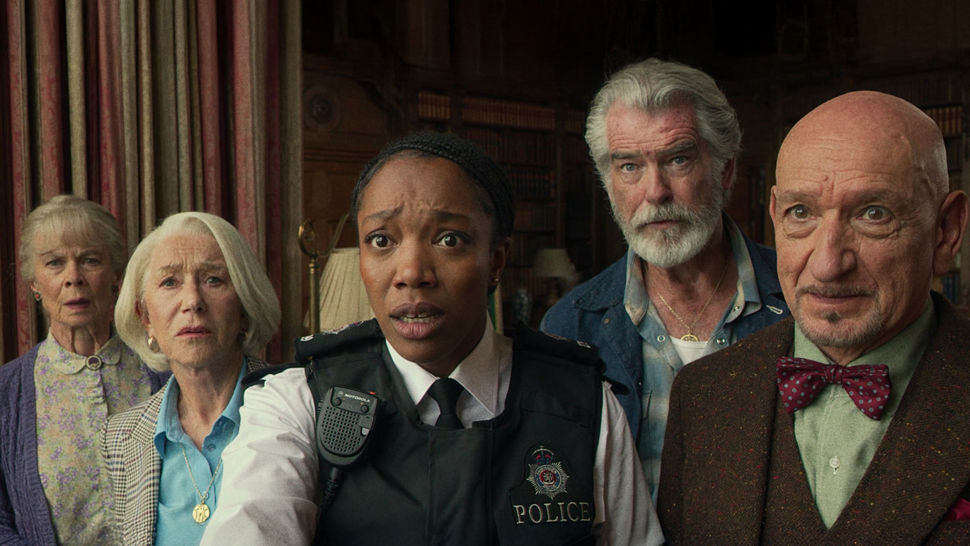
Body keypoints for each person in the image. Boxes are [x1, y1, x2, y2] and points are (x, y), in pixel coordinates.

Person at [202, 132, 662, 545]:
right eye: (381, 241)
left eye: (449, 240)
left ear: (496, 260)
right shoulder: (297, 401)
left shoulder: (582, 403)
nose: (411, 274)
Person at [657, 90, 970, 543]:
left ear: (946, 231)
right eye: (801, 213)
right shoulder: (703, 396)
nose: (827, 264)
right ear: (774, 215)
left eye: (873, 214)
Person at [541, 57, 789, 494]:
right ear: (608, 182)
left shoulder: (799, 301)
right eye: (629, 166)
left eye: (677, 160)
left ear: (725, 168)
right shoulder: (569, 328)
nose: (655, 192)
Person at [100, 211, 281, 545]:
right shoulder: (120, 437)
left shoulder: (294, 407)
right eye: (170, 282)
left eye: (213, 279)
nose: (193, 301)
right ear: (146, 318)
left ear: (243, 307)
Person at [0, 195, 167, 545]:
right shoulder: (6, 394)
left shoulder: (166, 372)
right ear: (33, 282)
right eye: (55, 264)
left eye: (90, 260)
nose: (73, 277)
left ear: (117, 275)